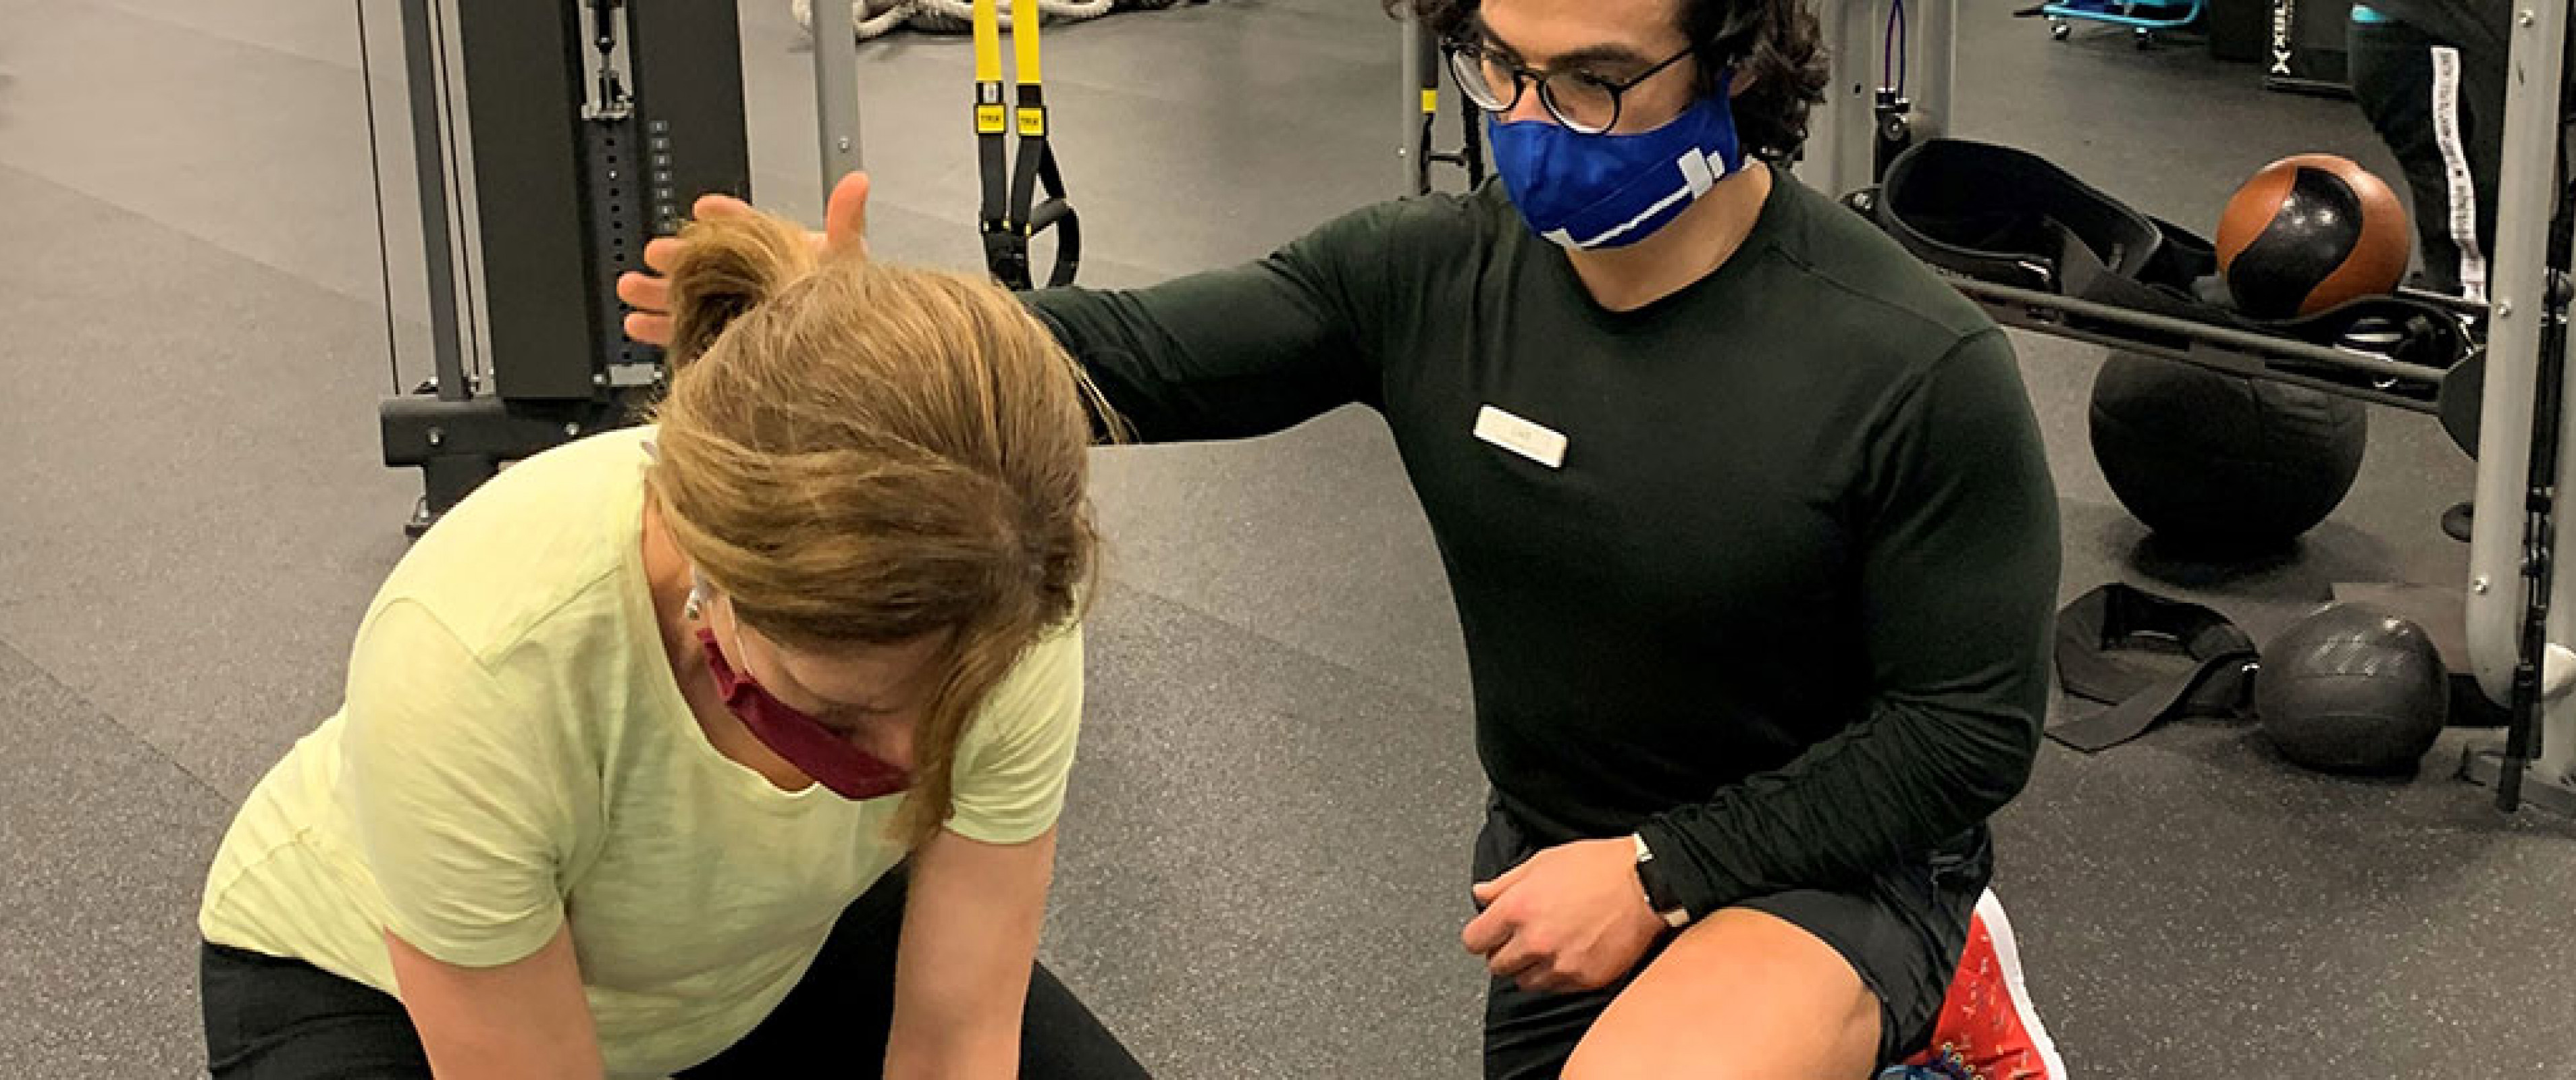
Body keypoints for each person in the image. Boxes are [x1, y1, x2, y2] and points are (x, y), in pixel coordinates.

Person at [626, 0, 2067, 1075]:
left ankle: (1938, 1003)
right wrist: (862, 335)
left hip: (1829, 856)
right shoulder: (1430, 275)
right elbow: (1128, 351)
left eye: (1595, 82)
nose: (1528, 117)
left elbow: (1965, 733)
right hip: (1551, 862)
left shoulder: (1914, 365)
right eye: (1498, 62)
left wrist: (1659, 868)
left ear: (1741, 67)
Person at [198, 209, 1150, 1079]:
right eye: (841, 715)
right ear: (705, 573)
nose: (913, 763)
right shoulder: (478, 665)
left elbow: (955, 1044)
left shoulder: (1005, 576)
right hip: (368, 987)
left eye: (950, 711)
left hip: (744, 961)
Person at [2345, 1, 2511, 301]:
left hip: (2428, 30)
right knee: (2464, 192)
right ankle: (2468, 311)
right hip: (2421, 38)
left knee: (2466, 185)